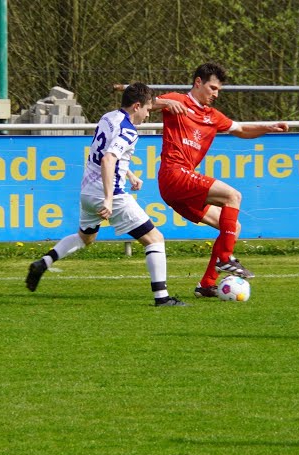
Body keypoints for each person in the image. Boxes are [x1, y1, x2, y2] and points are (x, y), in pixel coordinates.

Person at [25, 82, 186, 307]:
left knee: (85, 238)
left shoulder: (108, 117)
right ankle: (163, 298)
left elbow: (107, 153)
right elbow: (109, 159)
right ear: (137, 106)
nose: (148, 115)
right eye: (147, 109)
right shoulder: (129, 130)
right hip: (110, 195)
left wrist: (130, 175)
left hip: (87, 192)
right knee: (155, 239)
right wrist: (109, 199)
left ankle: (44, 261)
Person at [152, 62, 289, 298]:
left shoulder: (212, 116)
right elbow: (141, 104)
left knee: (233, 227)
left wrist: (268, 127)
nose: (216, 94)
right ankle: (225, 258)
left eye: (218, 90)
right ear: (198, 83)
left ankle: (206, 284)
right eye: (213, 88)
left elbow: (240, 130)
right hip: (174, 174)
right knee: (233, 196)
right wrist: (165, 102)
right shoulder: (177, 99)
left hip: (181, 187)